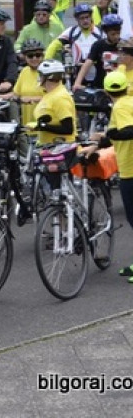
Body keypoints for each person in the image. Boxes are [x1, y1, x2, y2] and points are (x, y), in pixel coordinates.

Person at [90, 71, 133, 280]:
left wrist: (110, 134)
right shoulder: (129, 102)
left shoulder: (121, 106)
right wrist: (101, 140)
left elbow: (128, 131)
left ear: (107, 92)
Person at [29, 60, 77, 146]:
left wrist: (42, 126)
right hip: (47, 146)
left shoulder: (60, 97)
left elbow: (68, 129)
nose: (38, 77)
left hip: (60, 150)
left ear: (48, 77)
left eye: (40, 75)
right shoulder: (49, 94)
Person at [46, 3, 102, 70]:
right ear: (76, 19)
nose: (85, 21)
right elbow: (54, 45)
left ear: (91, 17)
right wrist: (46, 61)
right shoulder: (71, 32)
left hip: (97, 69)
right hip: (77, 70)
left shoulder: (100, 32)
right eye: (82, 18)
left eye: (87, 17)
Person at [73, 14, 123, 90]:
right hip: (101, 85)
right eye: (113, 34)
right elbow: (87, 63)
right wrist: (77, 83)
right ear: (106, 32)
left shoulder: (124, 45)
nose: (116, 37)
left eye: (118, 33)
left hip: (120, 83)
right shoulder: (98, 45)